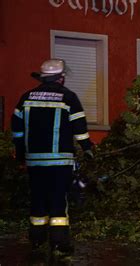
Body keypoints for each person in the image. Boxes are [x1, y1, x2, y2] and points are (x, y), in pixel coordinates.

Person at [11, 58, 93, 254]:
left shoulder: (26, 97)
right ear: (61, 78)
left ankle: (37, 240)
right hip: (60, 160)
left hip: (34, 161)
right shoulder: (68, 97)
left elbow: (17, 130)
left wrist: (21, 155)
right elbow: (79, 128)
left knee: (37, 198)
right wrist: (87, 148)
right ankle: (59, 242)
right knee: (58, 201)